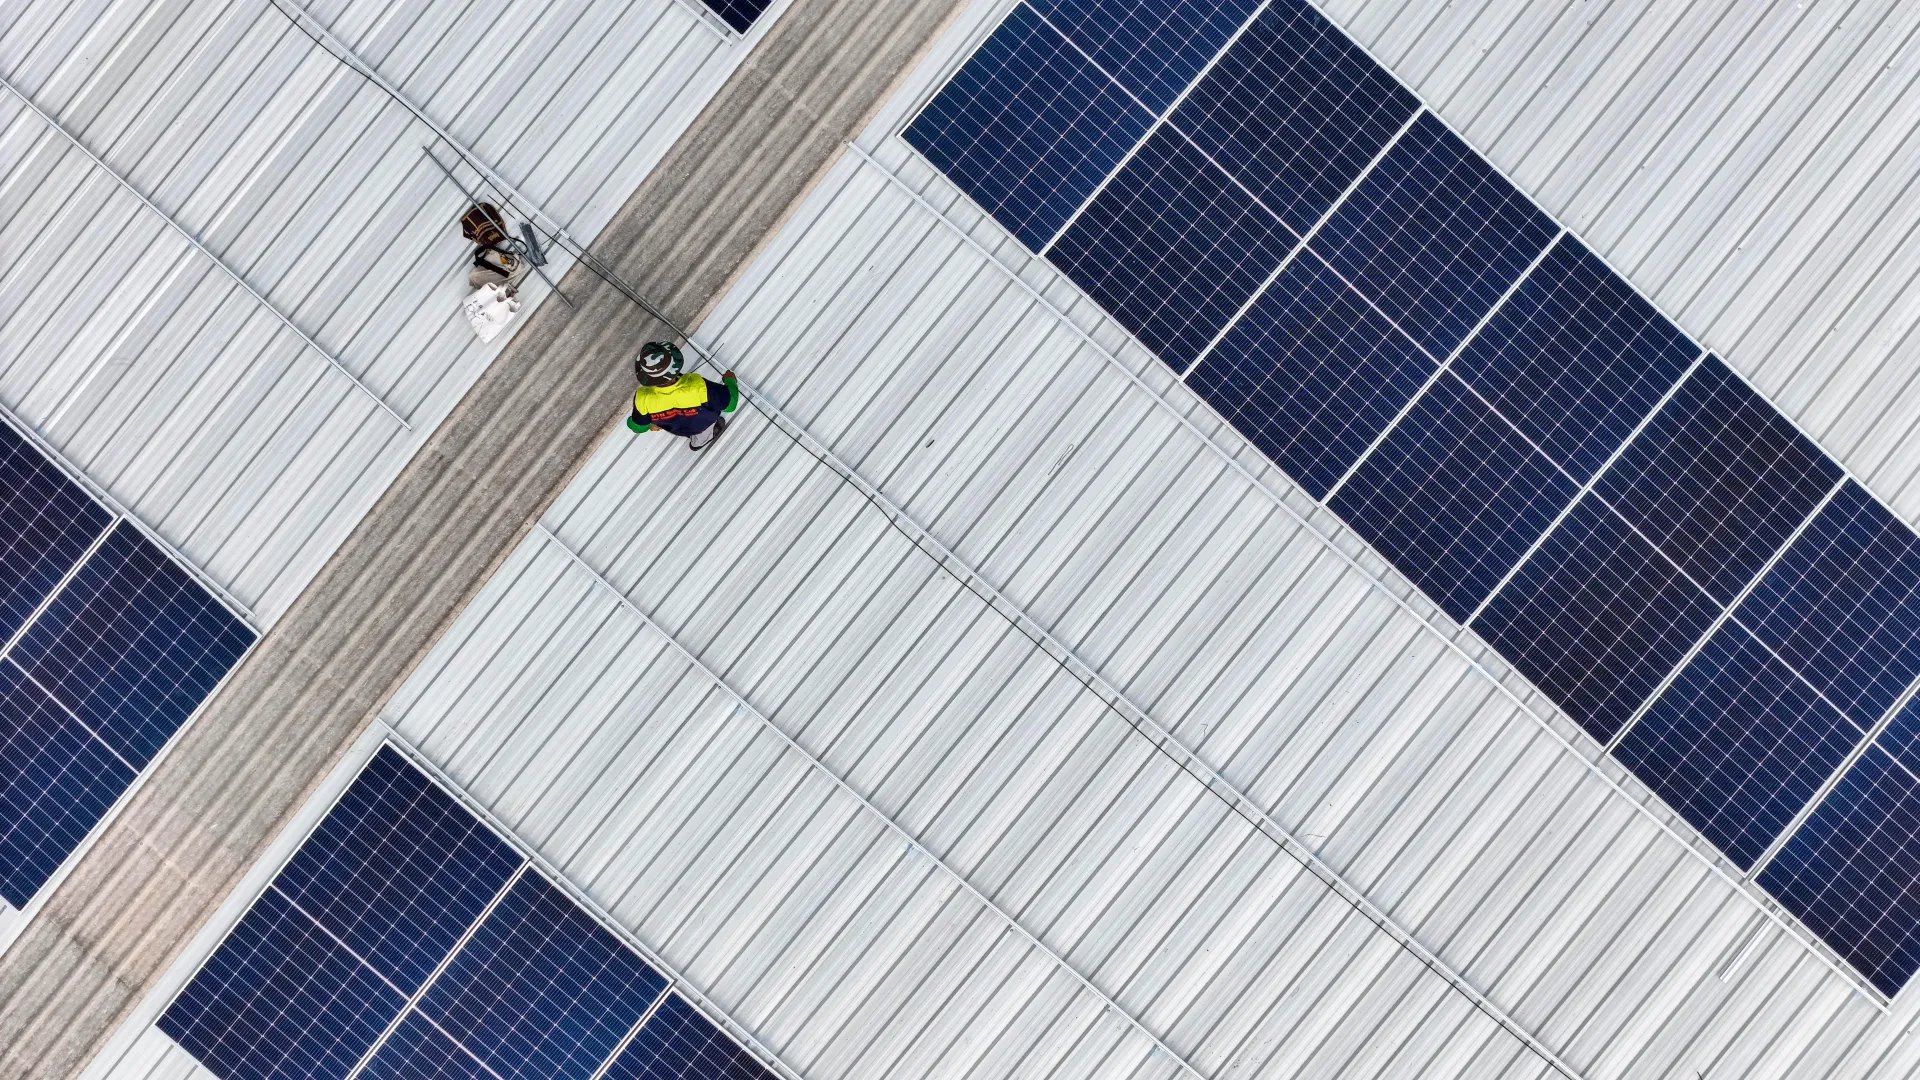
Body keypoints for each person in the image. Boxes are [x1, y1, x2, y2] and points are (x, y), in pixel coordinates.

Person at [628, 341, 738, 451]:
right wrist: (730, 381)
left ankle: (695, 439)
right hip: (702, 425)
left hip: (675, 429)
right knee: (703, 432)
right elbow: (730, 405)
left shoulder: (642, 398)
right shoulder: (698, 386)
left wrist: (646, 423)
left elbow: (639, 427)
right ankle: (699, 441)